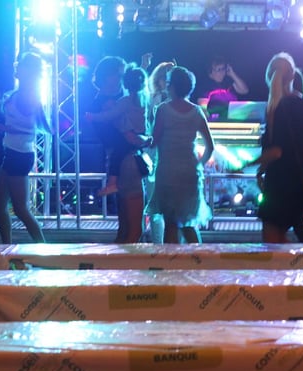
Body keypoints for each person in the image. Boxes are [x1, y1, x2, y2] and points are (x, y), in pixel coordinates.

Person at [251, 52, 303, 243]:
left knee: (272, 242)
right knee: (292, 234)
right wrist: (302, 168)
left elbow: (275, 151)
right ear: (292, 76)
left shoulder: (275, 108)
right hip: (299, 185)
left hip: (277, 184)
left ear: (269, 77)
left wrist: (251, 166)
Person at [150, 66, 214, 243]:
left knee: (170, 225)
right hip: (189, 172)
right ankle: (198, 258)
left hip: (167, 172)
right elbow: (210, 146)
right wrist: (199, 164)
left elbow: (154, 141)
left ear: (171, 86)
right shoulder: (196, 111)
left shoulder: (163, 110)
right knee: (189, 224)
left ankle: (170, 259)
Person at [0, 52, 50, 244]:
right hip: (13, 153)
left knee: (20, 209)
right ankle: (6, 247)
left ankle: (43, 248)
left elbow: (27, 128)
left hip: (20, 154)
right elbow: (14, 118)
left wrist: (4, 128)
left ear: (27, 71)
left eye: (20, 65)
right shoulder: (19, 93)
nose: (16, 67)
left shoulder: (28, 95)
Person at [89, 56, 146, 243]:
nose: (122, 78)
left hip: (122, 156)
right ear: (107, 76)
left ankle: (122, 251)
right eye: (119, 74)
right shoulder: (108, 103)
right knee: (132, 221)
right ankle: (127, 253)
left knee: (126, 218)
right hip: (126, 158)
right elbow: (121, 136)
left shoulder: (118, 99)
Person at [87, 64, 150, 197]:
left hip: (129, 146)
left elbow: (110, 115)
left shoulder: (124, 100)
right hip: (134, 139)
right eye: (118, 75)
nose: (120, 78)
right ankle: (113, 183)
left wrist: (93, 116)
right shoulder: (141, 98)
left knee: (118, 155)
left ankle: (112, 183)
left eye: (122, 76)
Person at [144, 61, 176, 244]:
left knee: (170, 207)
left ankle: (169, 246)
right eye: (165, 77)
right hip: (155, 154)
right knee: (156, 205)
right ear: (159, 79)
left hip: (168, 154)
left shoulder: (178, 101)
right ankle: (158, 245)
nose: (168, 82)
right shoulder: (153, 99)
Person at [196, 55, 249, 121]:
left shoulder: (228, 83)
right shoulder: (205, 86)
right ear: (210, 72)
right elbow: (202, 109)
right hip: (217, 122)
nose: (222, 72)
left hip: (235, 119)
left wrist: (232, 74)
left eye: (223, 69)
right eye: (219, 70)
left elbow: (244, 91)